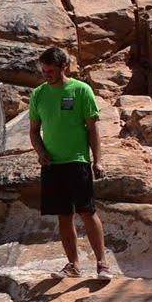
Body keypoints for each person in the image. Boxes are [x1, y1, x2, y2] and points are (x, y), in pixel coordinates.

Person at [29, 47, 110, 280]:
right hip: (52, 165)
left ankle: (102, 263)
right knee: (63, 216)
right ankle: (73, 265)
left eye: (51, 70)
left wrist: (98, 160)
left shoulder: (81, 90)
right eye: (43, 71)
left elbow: (93, 128)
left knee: (87, 211)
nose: (47, 75)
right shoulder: (38, 94)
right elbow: (34, 131)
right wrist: (40, 151)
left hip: (77, 161)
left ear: (64, 67)